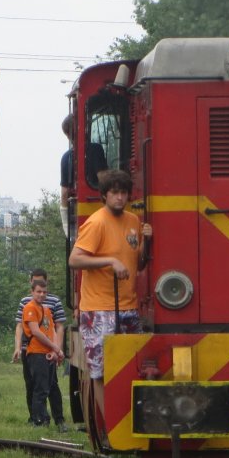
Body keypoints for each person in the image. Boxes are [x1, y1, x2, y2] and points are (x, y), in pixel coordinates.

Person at [68, 169, 151, 433]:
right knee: (101, 372)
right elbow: (75, 259)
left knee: (132, 368)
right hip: (98, 310)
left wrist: (147, 242)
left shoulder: (133, 221)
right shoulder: (96, 223)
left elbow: (138, 263)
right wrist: (110, 261)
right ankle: (112, 430)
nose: (119, 197)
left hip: (128, 307)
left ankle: (132, 427)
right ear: (104, 195)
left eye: (123, 192)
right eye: (114, 192)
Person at [12, 269, 67, 423]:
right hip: (31, 349)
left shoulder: (51, 304)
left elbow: (57, 327)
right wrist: (17, 347)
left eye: (44, 290)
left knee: (50, 386)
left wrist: (57, 349)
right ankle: (37, 419)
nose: (41, 294)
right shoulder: (26, 304)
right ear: (32, 286)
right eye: (37, 288)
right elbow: (21, 327)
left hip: (48, 350)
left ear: (46, 283)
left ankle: (56, 419)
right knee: (33, 386)